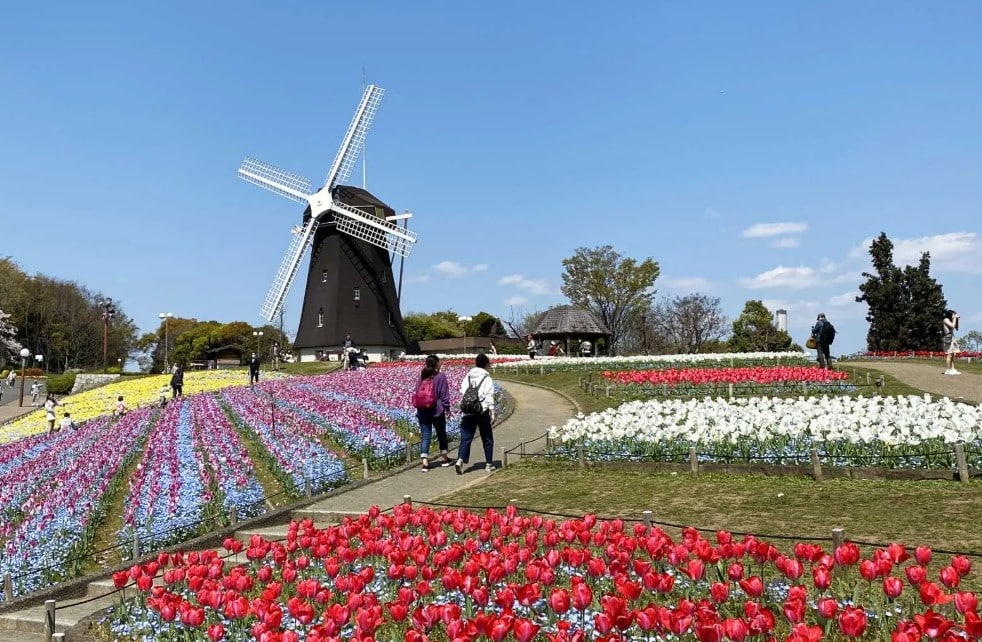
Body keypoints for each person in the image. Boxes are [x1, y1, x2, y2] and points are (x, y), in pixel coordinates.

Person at [455, 353, 496, 474]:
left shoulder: (468, 376)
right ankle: (488, 464)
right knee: (487, 438)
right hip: (481, 411)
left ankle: (460, 459)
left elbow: (462, 391)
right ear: (486, 364)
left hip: (468, 410)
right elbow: (489, 396)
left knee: (466, 437)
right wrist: (492, 412)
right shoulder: (486, 378)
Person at [415, 355, 453, 472]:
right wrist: (447, 409)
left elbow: (417, 392)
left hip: (422, 411)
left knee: (426, 436)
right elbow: (444, 395)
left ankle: (425, 463)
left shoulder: (422, 376)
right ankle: (445, 458)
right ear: (437, 364)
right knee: (441, 434)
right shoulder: (440, 376)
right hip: (437, 411)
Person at [943, 309, 961, 375]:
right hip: (948, 338)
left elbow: (956, 328)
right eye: (954, 314)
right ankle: (947, 370)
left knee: (953, 354)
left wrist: (957, 320)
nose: (954, 315)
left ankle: (953, 369)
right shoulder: (946, 320)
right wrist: (955, 319)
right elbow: (952, 326)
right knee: (949, 354)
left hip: (952, 338)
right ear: (950, 314)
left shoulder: (951, 320)